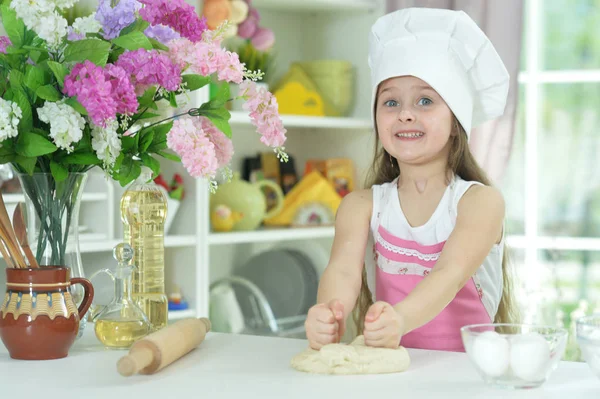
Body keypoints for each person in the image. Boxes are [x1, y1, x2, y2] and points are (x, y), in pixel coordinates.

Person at [304, 7, 519, 352]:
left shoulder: (481, 203)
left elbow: (448, 274)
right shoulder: (361, 206)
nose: (405, 113)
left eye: (425, 100)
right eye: (390, 102)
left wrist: (400, 319)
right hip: (393, 370)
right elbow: (343, 271)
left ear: (456, 122)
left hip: (469, 372)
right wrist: (330, 311)